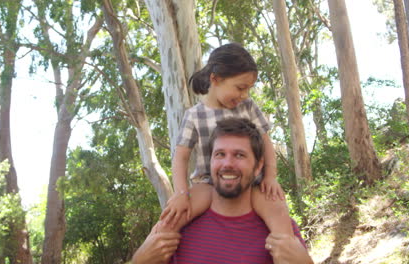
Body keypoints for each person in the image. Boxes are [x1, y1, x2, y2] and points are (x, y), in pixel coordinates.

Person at [160, 43, 293, 244]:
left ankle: (289, 251)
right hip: (207, 184)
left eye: (248, 89)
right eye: (240, 87)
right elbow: (181, 158)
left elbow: (266, 143)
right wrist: (180, 193)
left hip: (251, 183)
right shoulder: (194, 115)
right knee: (173, 217)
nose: (245, 95)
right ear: (215, 79)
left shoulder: (248, 107)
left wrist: (270, 176)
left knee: (278, 209)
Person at [132, 118, 313, 264]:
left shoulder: (280, 230)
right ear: (210, 162)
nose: (227, 164)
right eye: (219, 154)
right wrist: (138, 260)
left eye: (239, 155)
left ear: (258, 167)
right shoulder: (179, 222)